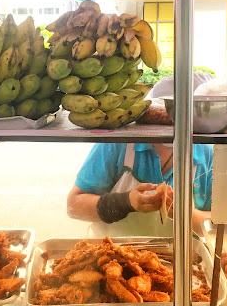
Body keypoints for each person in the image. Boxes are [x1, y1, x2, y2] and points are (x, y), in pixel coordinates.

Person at [67, 77, 213, 238]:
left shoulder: (205, 155)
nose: (171, 127)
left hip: (180, 259)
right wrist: (124, 202)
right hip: (113, 256)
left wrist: (185, 215)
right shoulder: (119, 145)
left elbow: (222, 225)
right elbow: (74, 205)